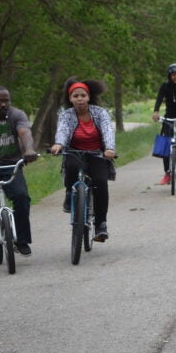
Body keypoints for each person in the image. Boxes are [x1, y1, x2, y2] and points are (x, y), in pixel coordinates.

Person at [50, 77, 116, 242]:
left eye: (83, 95)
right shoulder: (66, 115)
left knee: (100, 182)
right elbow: (63, 131)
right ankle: (69, 193)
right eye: (75, 96)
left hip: (97, 153)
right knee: (71, 168)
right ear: (70, 98)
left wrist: (109, 148)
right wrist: (59, 144)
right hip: (74, 152)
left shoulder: (100, 112)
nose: (79, 99)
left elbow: (108, 130)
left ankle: (101, 224)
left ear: (88, 97)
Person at [0, 86, 38, 256]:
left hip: (11, 164)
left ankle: (22, 240)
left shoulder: (16, 114)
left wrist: (28, 150)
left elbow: (24, 132)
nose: (3, 104)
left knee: (22, 197)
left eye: (6, 100)